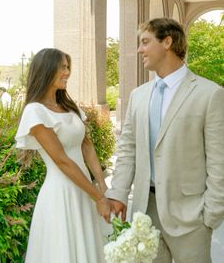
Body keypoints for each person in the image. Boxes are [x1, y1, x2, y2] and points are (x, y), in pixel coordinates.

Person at [106, 18, 224, 263]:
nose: (139, 50)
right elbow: (128, 148)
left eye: (145, 42)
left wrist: (210, 214)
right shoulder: (138, 96)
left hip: (191, 218)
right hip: (144, 211)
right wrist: (118, 192)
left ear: (167, 42)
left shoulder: (210, 94)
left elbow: (219, 161)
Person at [15, 48, 110, 263]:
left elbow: (87, 146)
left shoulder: (69, 106)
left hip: (84, 190)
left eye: (68, 67)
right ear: (46, 69)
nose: (67, 72)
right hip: (61, 194)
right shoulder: (35, 111)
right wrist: (98, 197)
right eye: (63, 67)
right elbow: (62, 161)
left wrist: (102, 184)